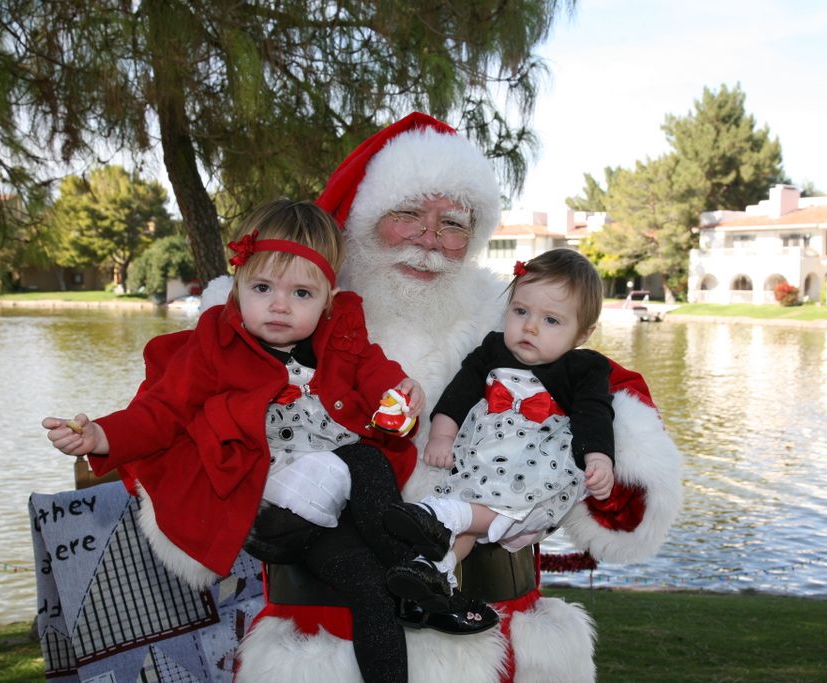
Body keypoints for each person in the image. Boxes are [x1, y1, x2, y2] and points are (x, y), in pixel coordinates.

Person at [229, 113, 683, 683]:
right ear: (365, 221)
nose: (429, 239)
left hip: (496, 632)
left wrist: (614, 463)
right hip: (324, 640)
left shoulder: (508, 320)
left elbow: (603, 401)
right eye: (408, 214)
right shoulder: (291, 316)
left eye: (452, 223)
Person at [42, 199, 494, 683]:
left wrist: (401, 391)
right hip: (271, 508)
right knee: (362, 461)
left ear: (327, 299)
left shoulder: (342, 332)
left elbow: (374, 369)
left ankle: (408, 601)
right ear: (239, 287)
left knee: (370, 585)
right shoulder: (215, 344)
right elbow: (162, 410)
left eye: (301, 292)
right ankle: (426, 575)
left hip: (330, 515)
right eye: (263, 288)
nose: (279, 304)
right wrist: (103, 435)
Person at [383, 248, 619, 599]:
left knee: (480, 512)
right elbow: (458, 394)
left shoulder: (584, 369)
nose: (530, 326)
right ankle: (434, 570)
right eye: (520, 311)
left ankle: (441, 516)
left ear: (583, 334)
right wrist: (443, 436)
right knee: (464, 521)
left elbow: (595, 414)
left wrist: (599, 457)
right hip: (482, 459)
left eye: (551, 320)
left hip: (537, 469)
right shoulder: (492, 350)